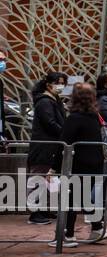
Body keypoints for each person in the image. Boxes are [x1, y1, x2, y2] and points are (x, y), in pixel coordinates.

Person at [55, 83, 107, 247]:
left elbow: (64, 144)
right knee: (83, 196)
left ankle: (69, 235)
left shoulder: (74, 118)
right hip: (96, 163)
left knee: (71, 198)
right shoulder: (94, 116)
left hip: (77, 163)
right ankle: (97, 228)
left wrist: (54, 167)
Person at [26, 72, 68, 225]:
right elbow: (50, 123)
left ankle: (42, 210)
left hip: (51, 146)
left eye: (63, 82)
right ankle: (35, 213)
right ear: (48, 84)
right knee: (38, 177)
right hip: (44, 146)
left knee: (46, 178)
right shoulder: (45, 102)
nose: (61, 86)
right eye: (58, 82)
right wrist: (64, 134)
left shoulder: (53, 100)